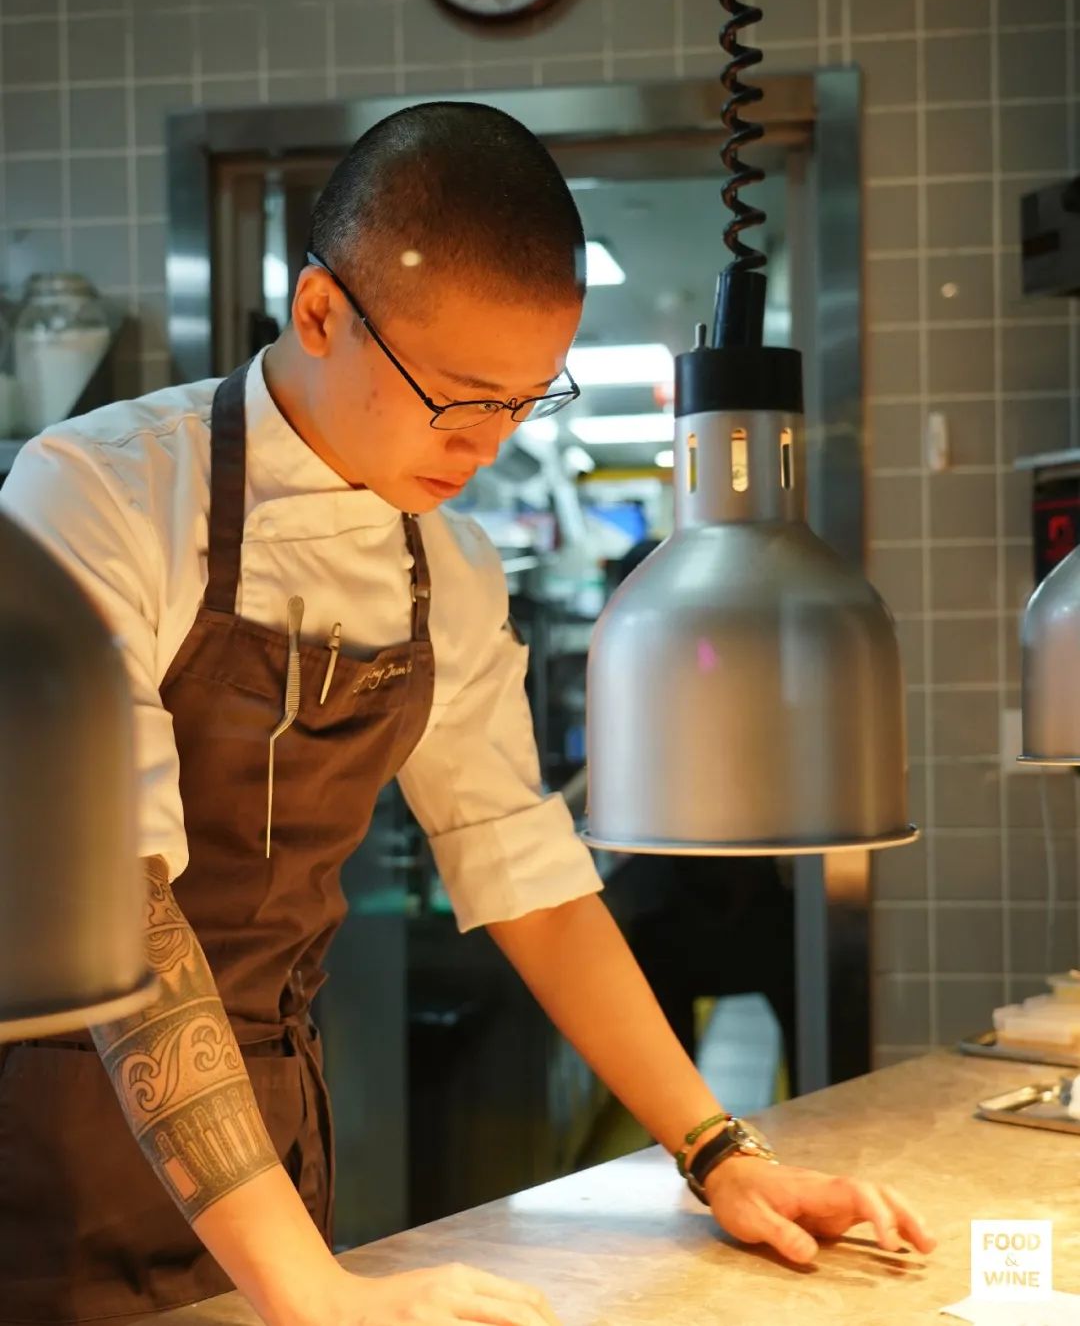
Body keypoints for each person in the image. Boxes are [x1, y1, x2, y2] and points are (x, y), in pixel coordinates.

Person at [0, 102, 936, 1326]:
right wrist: (308, 1291)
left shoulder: (451, 563)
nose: (488, 447)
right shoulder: (96, 492)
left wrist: (720, 1154)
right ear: (322, 311)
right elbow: (121, 904)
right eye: (457, 399)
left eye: (522, 402)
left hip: (274, 1141)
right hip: (55, 1143)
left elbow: (526, 872)